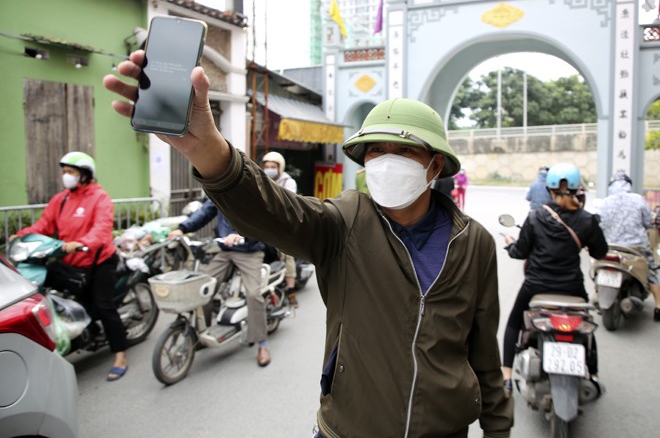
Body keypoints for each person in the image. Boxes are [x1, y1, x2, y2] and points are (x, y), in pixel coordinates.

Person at [104, 54, 513, 437]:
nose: (387, 161)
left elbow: (483, 350)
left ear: (435, 164)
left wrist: (498, 428)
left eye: (405, 150)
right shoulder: (345, 221)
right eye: (376, 150)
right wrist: (205, 148)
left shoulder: (472, 241)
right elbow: (273, 210)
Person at [11, 152, 129, 381]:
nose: (66, 177)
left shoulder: (100, 197)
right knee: (42, 287)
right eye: (64, 172)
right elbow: (44, 225)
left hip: (100, 260)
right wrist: (20, 235)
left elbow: (102, 229)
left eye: (71, 172)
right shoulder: (61, 199)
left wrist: (82, 243)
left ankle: (120, 355)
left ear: (85, 175)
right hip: (71, 260)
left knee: (104, 306)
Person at [501, 162, 608, 391]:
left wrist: (510, 244)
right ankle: (595, 374)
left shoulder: (536, 217)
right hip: (572, 287)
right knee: (586, 324)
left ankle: (507, 375)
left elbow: (520, 252)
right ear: (577, 188)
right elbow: (601, 253)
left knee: (513, 323)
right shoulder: (587, 219)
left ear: (548, 188)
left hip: (536, 286)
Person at [168, 199, 272, 366]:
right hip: (225, 251)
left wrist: (241, 234)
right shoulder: (218, 192)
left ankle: (262, 342)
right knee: (203, 288)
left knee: (253, 294)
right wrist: (182, 229)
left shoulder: (251, 192)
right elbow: (203, 213)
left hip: (249, 251)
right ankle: (204, 333)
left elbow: (261, 222)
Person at [598, 171, 660, 321]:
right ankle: (659, 307)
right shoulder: (638, 200)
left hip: (611, 247)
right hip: (636, 248)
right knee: (651, 271)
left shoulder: (605, 202)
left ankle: (599, 294)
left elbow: (599, 224)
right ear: (628, 185)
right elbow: (648, 223)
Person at [262, 151, 301, 307]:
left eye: (273, 166)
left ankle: (291, 291)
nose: (269, 169)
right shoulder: (261, 180)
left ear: (279, 168)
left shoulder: (288, 182)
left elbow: (287, 203)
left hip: (283, 225)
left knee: (287, 255)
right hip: (264, 224)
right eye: (267, 166)